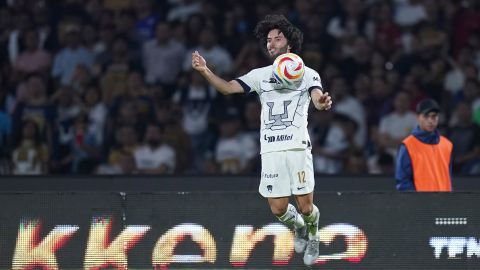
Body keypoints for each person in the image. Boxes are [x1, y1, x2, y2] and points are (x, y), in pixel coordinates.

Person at [191, 14, 332, 266]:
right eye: (268, 40)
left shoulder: (307, 73)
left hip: (297, 146)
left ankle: (313, 234)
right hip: (270, 149)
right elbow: (227, 88)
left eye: (277, 38)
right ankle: (299, 227)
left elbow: (318, 98)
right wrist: (205, 71)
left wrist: (322, 103)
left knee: (306, 207)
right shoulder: (260, 75)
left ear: (289, 44)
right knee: (278, 209)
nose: (271, 43)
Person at [395, 99, 453, 191]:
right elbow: (403, 183)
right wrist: (419, 203)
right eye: (426, 116)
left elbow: (448, 180)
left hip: (444, 203)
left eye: (434, 116)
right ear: (418, 118)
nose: (430, 120)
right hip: (421, 204)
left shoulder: (447, 145)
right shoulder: (408, 145)